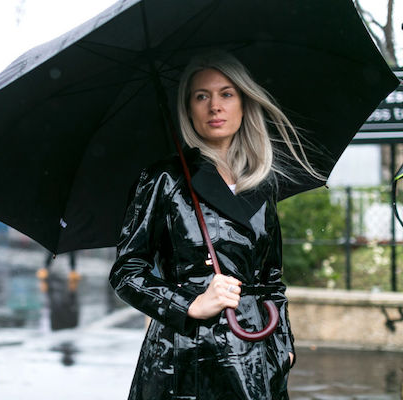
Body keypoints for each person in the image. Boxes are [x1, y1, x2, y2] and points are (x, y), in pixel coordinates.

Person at [109, 51, 324, 400]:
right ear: (188, 107)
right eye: (201, 96)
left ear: (244, 102)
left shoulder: (261, 185)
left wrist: (283, 344)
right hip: (184, 357)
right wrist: (188, 304)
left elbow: (271, 280)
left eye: (226, 93)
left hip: (256, 351)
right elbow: (126, 272)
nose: (215, 106)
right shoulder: (163, 179)